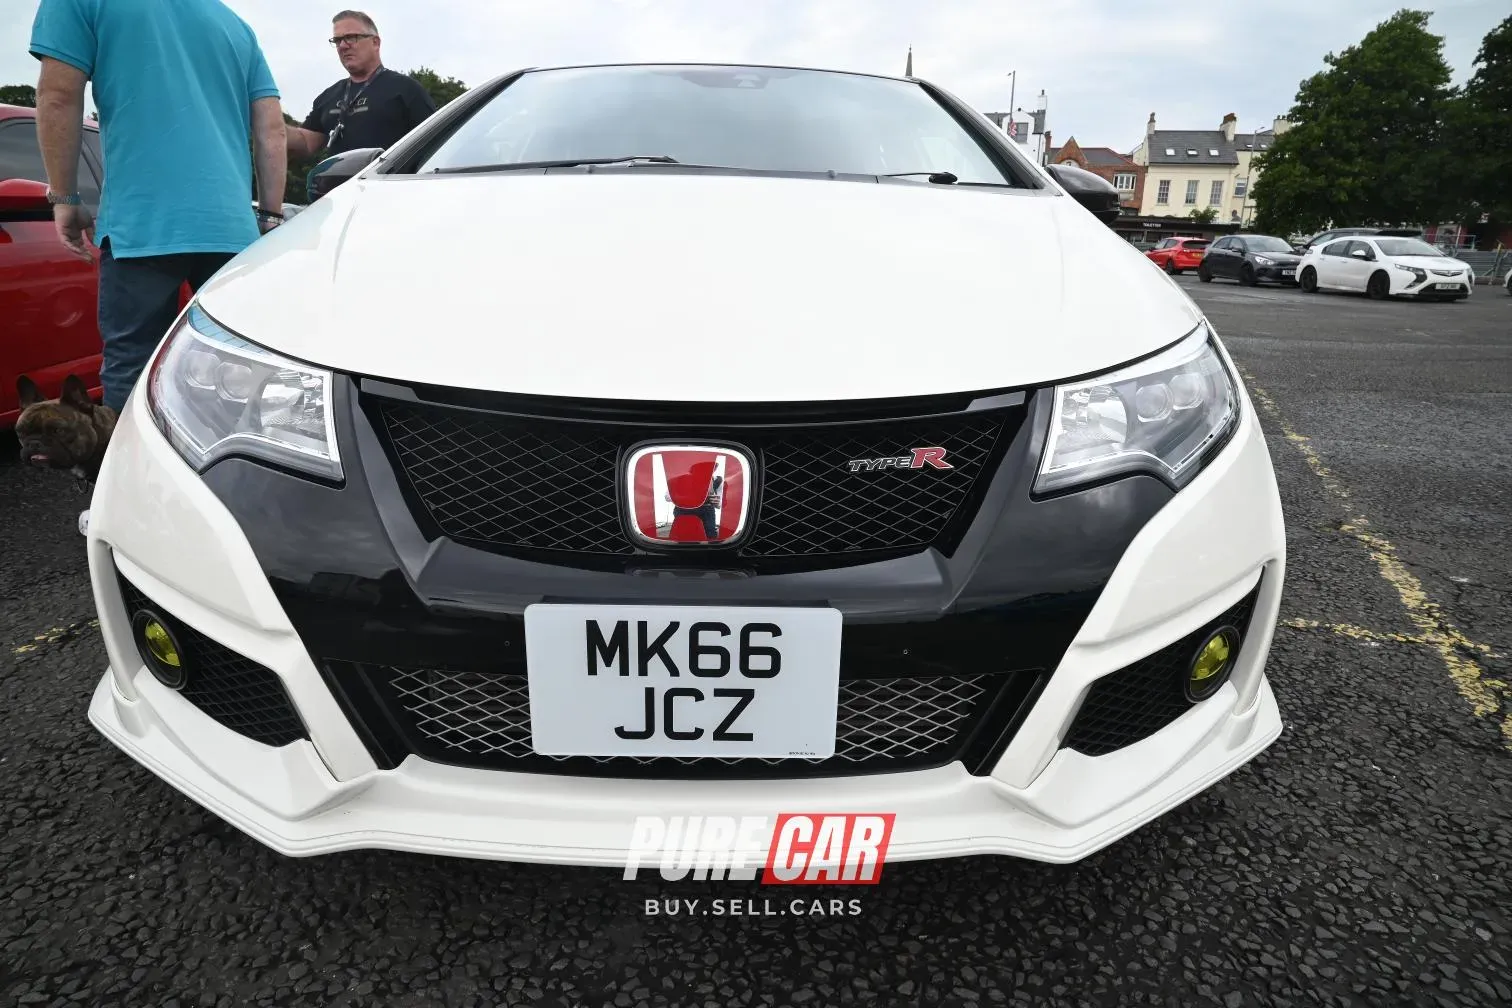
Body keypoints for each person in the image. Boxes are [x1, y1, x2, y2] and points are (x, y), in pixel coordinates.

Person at [29, 0, 287, 532]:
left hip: (143, 222)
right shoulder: (233, 24)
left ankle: (139, 509)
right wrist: (270, 211)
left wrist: (64, 194)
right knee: (243, 367)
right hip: (231, 229)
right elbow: (271, 130)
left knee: (132, 364)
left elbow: (58, 94)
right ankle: (255, 504)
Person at [286, 10, 437, 160]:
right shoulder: (328, 96)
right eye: (337, 40)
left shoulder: (406, 89)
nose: (343, 46)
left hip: (388, 182)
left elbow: (437, 142)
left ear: (375, 42)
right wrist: (272, 127)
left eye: (351, 37)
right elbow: (306, 142)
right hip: (340, 184)